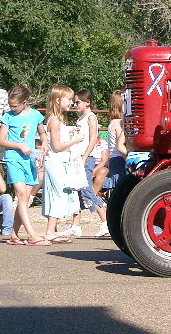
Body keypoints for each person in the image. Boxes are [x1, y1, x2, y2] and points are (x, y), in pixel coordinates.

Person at [0, 85, 48, 246]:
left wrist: (44, 144)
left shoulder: (35, 115)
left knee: (25, 198)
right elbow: (2, 140)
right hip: (14, 159)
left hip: (30, 160)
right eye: (10, 105)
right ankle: (31, 234)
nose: (12, 108)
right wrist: (19, 146)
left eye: (15, 106)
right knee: (21, 195)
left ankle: (14, 234)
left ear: (24, 102)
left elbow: (41, 133)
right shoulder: (8, 117)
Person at [60, 89, 109, 238]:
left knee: (87, 189)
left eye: (78, 102)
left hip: (86, 157)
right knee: (76, 191)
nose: (75, 104)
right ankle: (76, 224)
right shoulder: (80, 119)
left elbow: (93, 138)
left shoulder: (91, 117)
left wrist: (84, 157)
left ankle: (105, 220)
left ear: (87, 103)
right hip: (78, 156)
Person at [42, 85, 84, 244]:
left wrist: (70, 133)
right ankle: (50, 231)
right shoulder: (54, 120)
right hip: (56, 162)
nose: (71, 103)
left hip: (60, 161)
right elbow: (57, 146)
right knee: (58, 194)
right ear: (58, 100)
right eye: (68, 99)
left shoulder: (58, 120)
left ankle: (52, 229)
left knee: (60, 194)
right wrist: (75, 140)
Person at [102, 91, 127, 191]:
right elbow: (121, 144)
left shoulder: (112, 122)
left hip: (113, 158)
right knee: (120, 184)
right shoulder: (119, 123)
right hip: (119, 158)